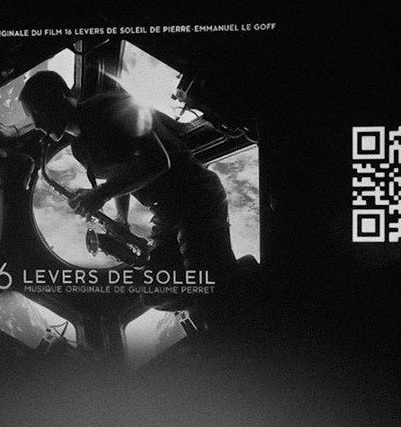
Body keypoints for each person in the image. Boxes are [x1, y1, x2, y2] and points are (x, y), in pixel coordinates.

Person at [19, 70, 238, 288]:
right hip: (166, 210)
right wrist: (121, 219)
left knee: (210, 288)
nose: (37, 125)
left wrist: (100, 194)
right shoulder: (79, 149)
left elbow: (158, 161)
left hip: (194, 194)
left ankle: (246, 281)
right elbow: (121, 174)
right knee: (155, 292)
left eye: (37, 113)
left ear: (59, 97)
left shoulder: (107, 107)